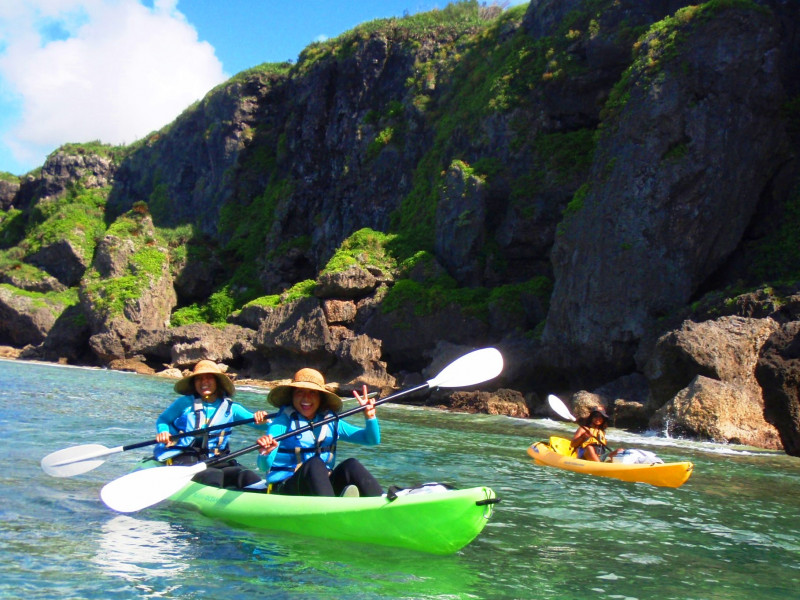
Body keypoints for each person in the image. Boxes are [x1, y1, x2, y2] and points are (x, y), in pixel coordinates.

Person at [255, 367, 383, 497]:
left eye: (312, 393)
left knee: (351, 465)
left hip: (320, 486)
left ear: (320, 398)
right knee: (315, 463)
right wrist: (265, 453)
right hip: (286, 489)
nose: (306, 398)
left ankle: (382, 502)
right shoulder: (282, 423)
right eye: (300, 392)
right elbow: (263, 467)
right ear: (292, 396)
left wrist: (370, 417)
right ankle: (331, 508)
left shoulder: (331, 422)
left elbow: (372, 439)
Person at [154, 359, 270, 489]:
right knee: (214, 475)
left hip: (217, 459)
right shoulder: (184, 403)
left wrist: (264, 420)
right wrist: (163, 432)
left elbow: (263, 425)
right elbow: (163, 420)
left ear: (217, 382)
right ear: (194, 383)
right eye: (199, 379)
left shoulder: (232, 408)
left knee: (247, 475)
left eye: (209, 378)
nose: (204, 382)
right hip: (186, 457)